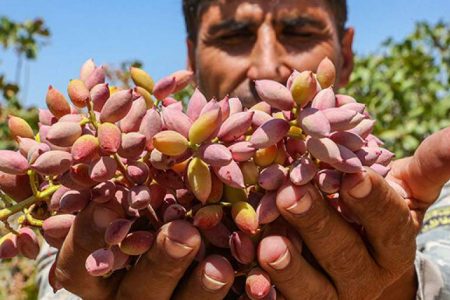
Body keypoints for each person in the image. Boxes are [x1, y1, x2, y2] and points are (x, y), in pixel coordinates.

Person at [37, 0, 450, 299]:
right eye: (233, 35)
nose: (267, 66)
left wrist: (401, 286)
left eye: (301, 32)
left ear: (347, 53)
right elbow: (56, 276)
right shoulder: (100, 191)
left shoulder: (401, 190)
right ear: (190, 57)